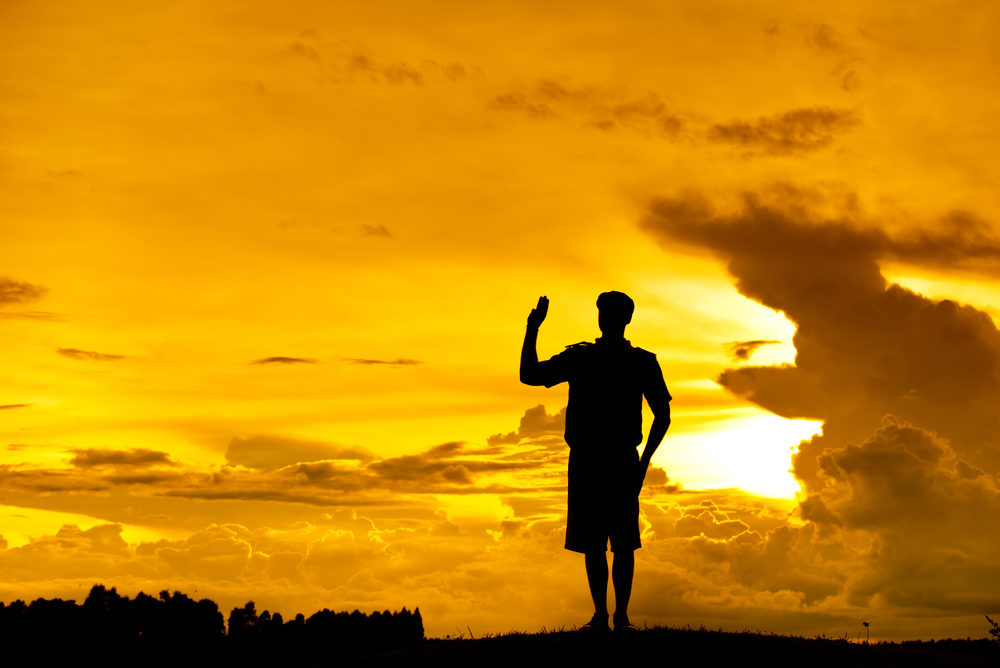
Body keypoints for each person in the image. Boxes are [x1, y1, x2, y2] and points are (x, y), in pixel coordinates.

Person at [520, 292, 671, 632]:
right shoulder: (581, 357)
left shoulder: (642, 361)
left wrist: (644, 461)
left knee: (623, 541)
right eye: (604, 311)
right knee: (593, 542)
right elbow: (529, 374)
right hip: (587, 459)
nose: (608, 317)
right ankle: (602, 615)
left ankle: (620, 616)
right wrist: (532, 329)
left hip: (621, 459)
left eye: (614, 312)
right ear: (600, 317)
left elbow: (663, 413)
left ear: (626, 319)